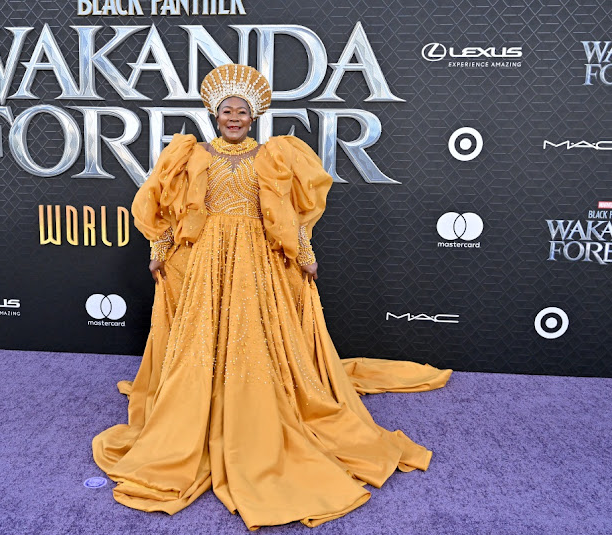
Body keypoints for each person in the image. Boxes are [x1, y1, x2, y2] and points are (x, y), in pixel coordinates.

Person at [92, 64, 452, 530]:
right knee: (203, 333)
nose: (235, 117)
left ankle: (251, 407)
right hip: (204, 259)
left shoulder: (274, 154)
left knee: (255, 334)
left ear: (254, 115)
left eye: (242, 110)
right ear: (214, 114)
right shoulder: (190, 153)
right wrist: (160, 249)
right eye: (227, 110)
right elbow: (164, 203)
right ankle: (205, 400)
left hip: (257, 260)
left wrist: (303, 253)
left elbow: (288, 214)